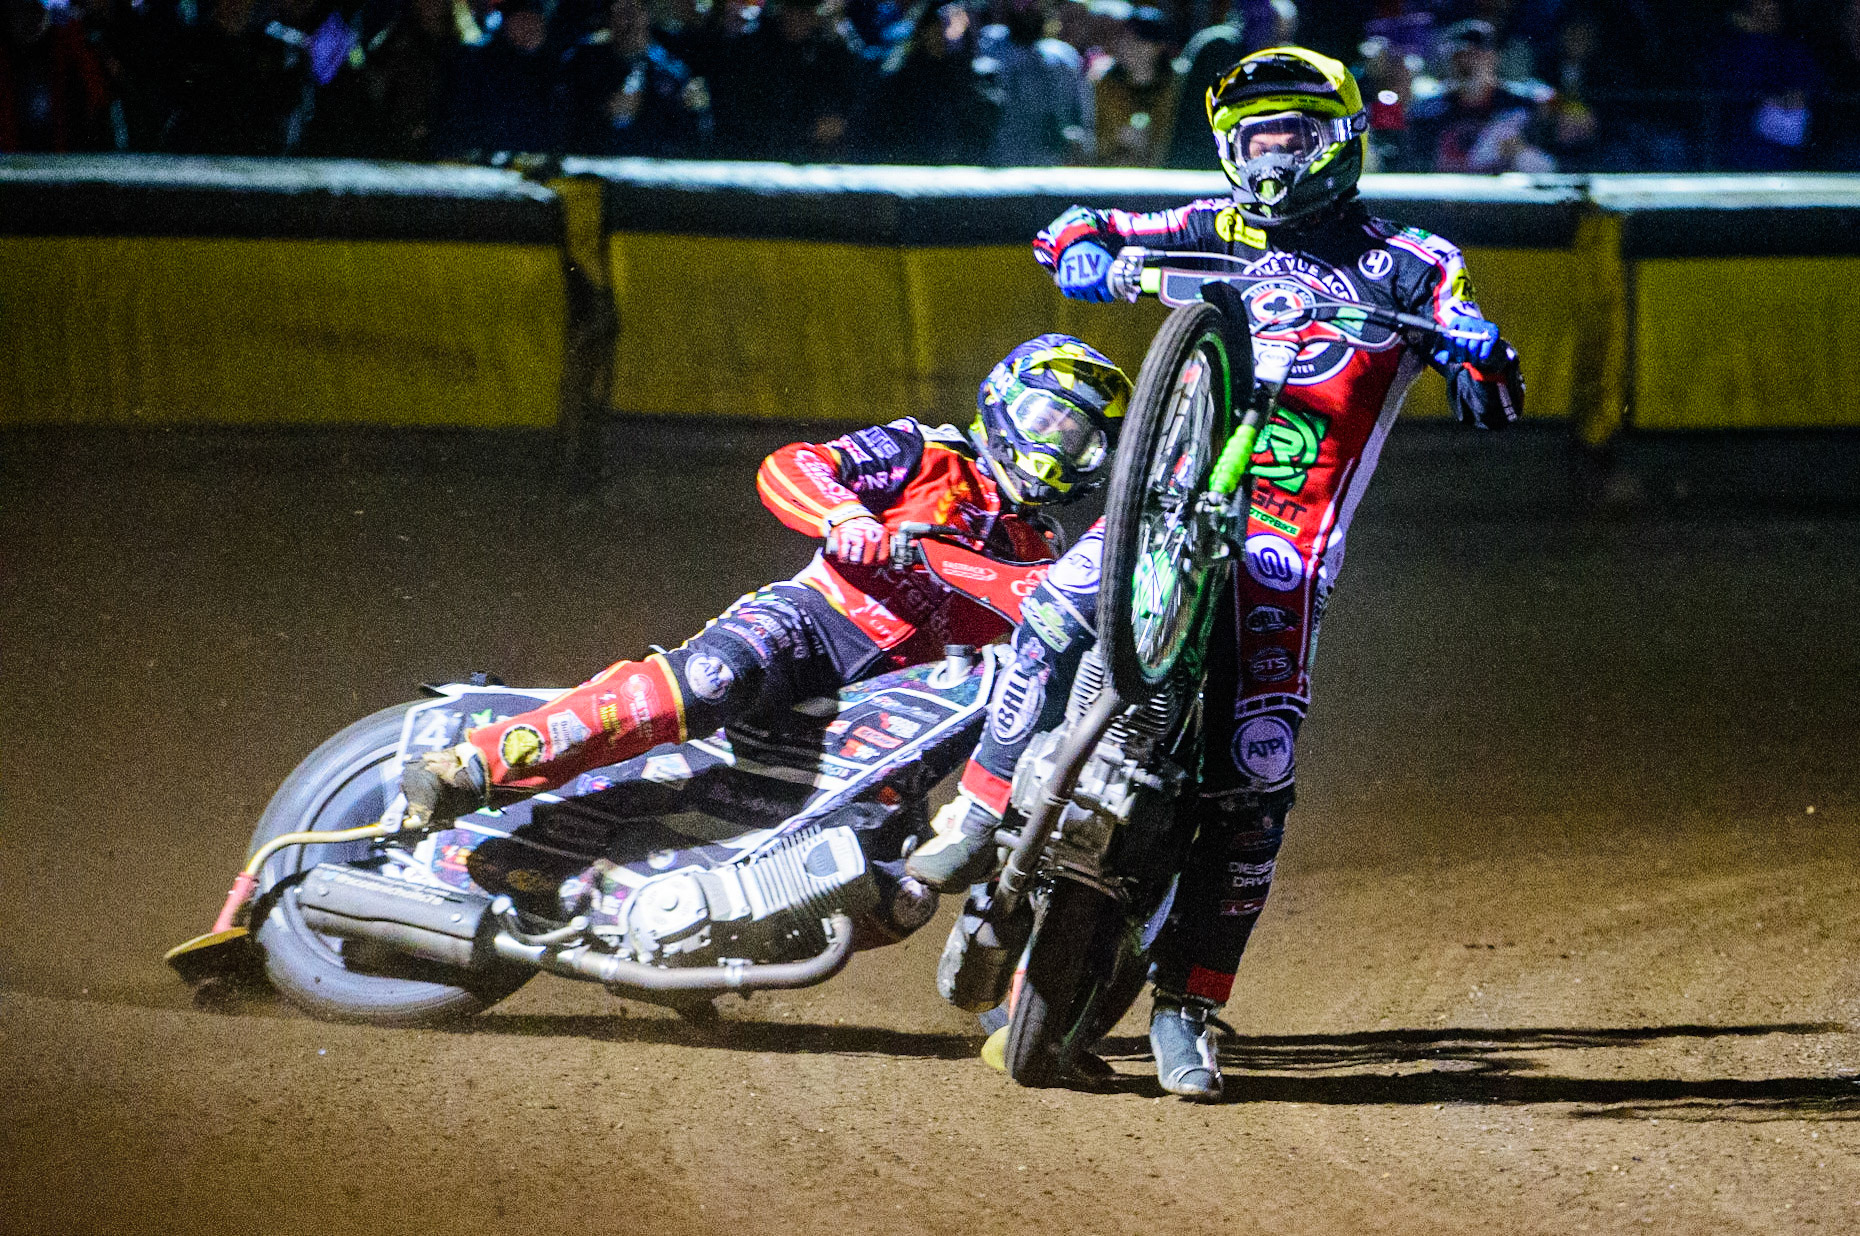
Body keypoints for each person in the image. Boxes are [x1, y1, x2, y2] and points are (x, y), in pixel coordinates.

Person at [905, 45, 1524, 1101]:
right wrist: (1086, 257)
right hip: (1168, 506)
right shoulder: (1215, 225)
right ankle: (975, 814)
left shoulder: (1414, 263)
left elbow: (1498, 403)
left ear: (1340, 142)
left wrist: (1475, 346)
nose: (1272, 158)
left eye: (1293, 137)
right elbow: (1071, 229)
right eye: (1255, 138)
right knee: (1055, 608)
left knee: (1256, 770)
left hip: (1289, 540)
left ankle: (1187, 1004)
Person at [399, 335, 1133, 838]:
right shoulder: (924, 451)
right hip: (816, 622)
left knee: (892, 866)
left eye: (1079, 439)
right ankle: (473, 764)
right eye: (1046, 419)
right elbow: (793, 464)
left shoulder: (1052, 557)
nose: (1054, 445)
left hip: (903, 702)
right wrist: (844, 513)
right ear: (1003, 401)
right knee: (711, 679)